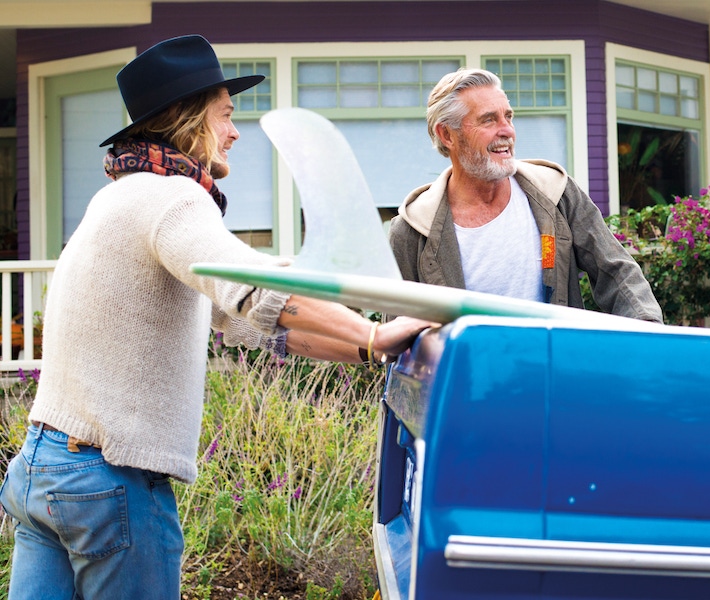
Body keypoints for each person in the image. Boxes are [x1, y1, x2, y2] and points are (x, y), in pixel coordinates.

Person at [0, 35, 431, 600]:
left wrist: (361, 347)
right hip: (110, 479)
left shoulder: (117, 197)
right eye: (225, 116)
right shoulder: (173, 198)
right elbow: (256, 292)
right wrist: (374, 334)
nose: (234, 132)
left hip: (42, 467)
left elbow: (248, 322)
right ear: (188, 123)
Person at [389, 68, 663, 323]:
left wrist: (651, 335)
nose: (507, 130)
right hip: (468, 374)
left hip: (553, 369)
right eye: (488, 120)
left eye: (508, 117)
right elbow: (395, 337)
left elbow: (617, 273)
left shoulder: (555, 191)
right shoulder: (413, 228)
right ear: (447, 134)